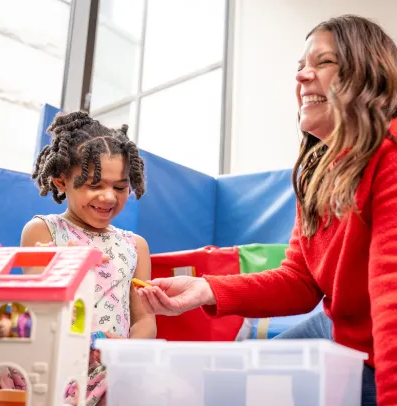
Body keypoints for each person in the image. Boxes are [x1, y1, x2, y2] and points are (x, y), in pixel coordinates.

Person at [137, 15, 397, 406]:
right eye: (300, 67)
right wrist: (205, 288)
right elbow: (301, 281)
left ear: (368, 74)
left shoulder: (389, 155)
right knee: (234, 382)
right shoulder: (318, 173)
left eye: (323, 62)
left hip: (378, 350)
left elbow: (392, 301)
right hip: (339, 325)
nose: (302, 77)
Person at [21, 110, 157, 405]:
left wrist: (127, 353)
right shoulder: (42, 231)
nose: (109, 197)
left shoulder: (136, 245)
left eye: (120, 187)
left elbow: (144, 318)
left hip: (113, 368)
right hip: (56, 366)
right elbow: (36, 311)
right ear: (60, 181)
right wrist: (61, 264)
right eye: (95, 185)